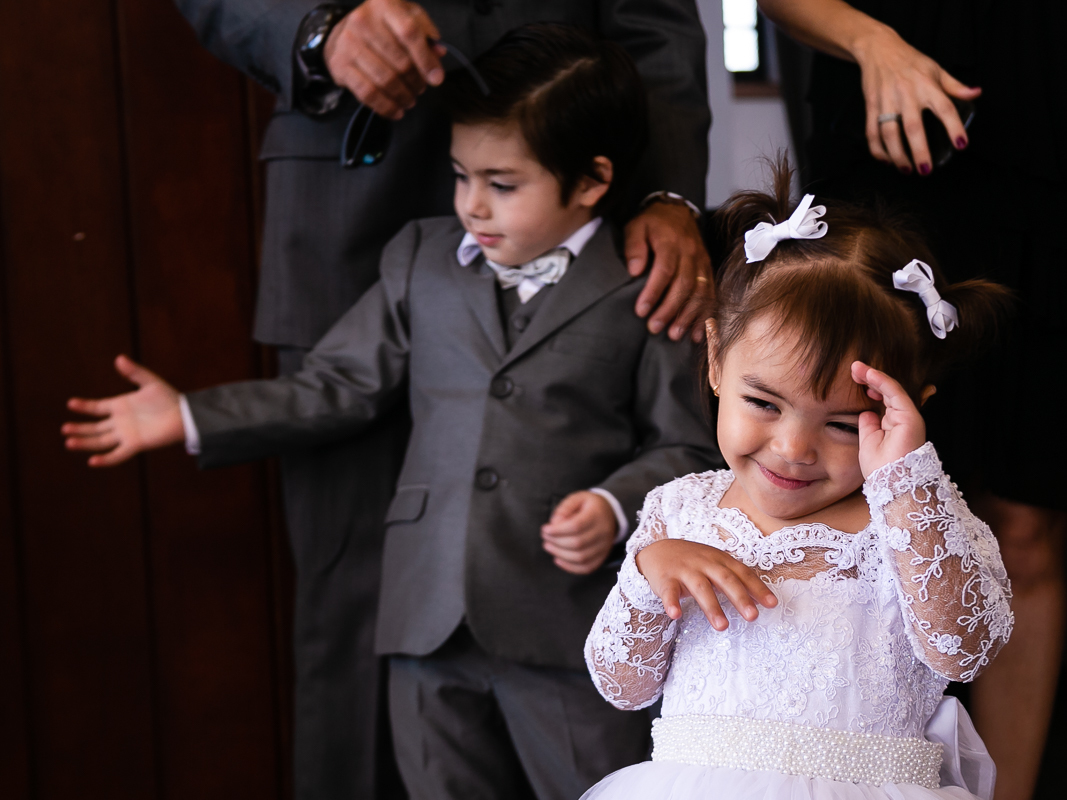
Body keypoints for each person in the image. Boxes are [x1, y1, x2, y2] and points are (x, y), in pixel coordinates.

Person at [63, 25, 723, 800]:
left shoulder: (645, 291)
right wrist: (192, 416)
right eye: (460, 175)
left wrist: (614, 506)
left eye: (502, 184)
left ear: (590, 181)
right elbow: (335, 384)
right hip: (425, 618)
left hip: (564, 625)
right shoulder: (421, 260)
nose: (472, 204)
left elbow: (685, 448)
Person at [757, 2, 1067, 798]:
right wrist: (872, 44)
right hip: (885, 140)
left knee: (1030, 521)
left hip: (1059, 150)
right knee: (853, 493)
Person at [581, 168, 1014, 800]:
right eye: (763, 402)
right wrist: (649, 577)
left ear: (910, 408)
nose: (793, 449)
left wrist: (906, 483)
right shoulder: (679, 511)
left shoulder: (918, 523)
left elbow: (962, 650)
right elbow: (623, 686)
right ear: (715, 357)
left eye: (842, 423)